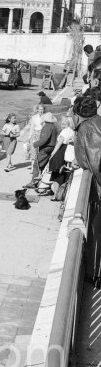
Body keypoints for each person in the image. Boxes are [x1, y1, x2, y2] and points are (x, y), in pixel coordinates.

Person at [73, 96, 101, 283]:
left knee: (97, 229)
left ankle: (95, 273)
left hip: (99, 187)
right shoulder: (97, 121)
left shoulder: (87, 128)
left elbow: (96, 162)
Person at [24, 112, 58, 188]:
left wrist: (35, 144)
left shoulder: (47, 127)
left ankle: (33, 182)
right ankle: (39, 182)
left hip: (46, 148)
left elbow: (43, 140)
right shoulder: (54, 126)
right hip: (50, 147)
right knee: (43, 166)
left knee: (37, 165)